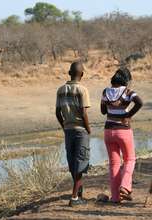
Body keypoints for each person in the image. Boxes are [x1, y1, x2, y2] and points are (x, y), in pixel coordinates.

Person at [101, 67, 143, 203]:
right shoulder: (127, 92)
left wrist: (108, 104)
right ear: (126, 80)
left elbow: (103, 111)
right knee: (130, 159)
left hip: (108, 131)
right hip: (123, 131)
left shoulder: (105, 92)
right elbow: (140, 102)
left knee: (114, 164)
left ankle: (115, 197)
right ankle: (125, 187)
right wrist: (128, 115)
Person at [56, 61, 91, 207]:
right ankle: (75, 198)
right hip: (80, 130)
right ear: (82, 74)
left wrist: (64, 126)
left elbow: (57, 113)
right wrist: (88, 129)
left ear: (69, 73)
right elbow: (83, 113)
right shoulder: (82, 90)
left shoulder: (61, 90)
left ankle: (79, 190)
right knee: (81, 163)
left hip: (68, 130)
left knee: (72, 162)